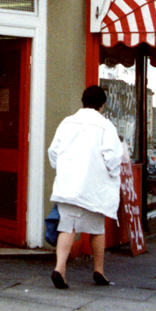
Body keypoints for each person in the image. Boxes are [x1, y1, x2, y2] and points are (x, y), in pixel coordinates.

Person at [47, 85, 123, 289]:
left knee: (67, 227)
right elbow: (113, 158)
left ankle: (60, 268)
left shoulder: (66, 122)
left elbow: (53, 152)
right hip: (93, 188)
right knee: (96, 229)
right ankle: (99, 270)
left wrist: (63, 169)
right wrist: (111, 175)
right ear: (102, 105)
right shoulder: (106, 126)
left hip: (69, 185)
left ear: (82, 101)